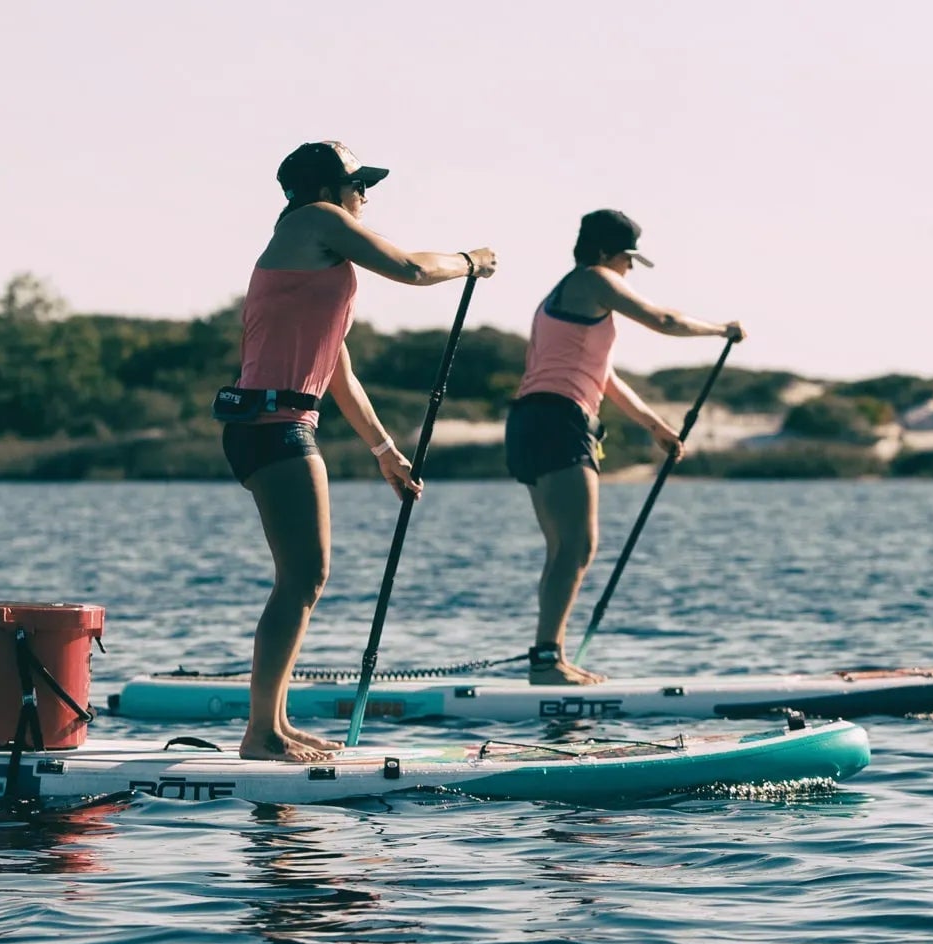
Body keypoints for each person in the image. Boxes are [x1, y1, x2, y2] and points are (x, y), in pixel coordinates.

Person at [218, 141, 497, 761]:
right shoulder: (317, 221)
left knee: (301, 580)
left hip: (277, 423)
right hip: (274, 425)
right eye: (358, 183)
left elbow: (338, 371)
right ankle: (260, 733)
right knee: (304, 578)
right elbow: (411, 269)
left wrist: (384, 449)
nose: (365, 195)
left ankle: (276, 725)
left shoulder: (315, 266)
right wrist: (469, 261)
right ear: (325, 188)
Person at [504, 209, 742, 685]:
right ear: (601, 253)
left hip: (535, 419)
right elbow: (663, 319)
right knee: (577, 545)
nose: (629, 269)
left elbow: (603, 377)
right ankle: (548, 661)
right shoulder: (594, 280)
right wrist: (721, 330)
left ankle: (549, 657)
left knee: (564, 549)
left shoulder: (564, 295)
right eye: (626, 258)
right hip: (558, 419)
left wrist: (655, 426)